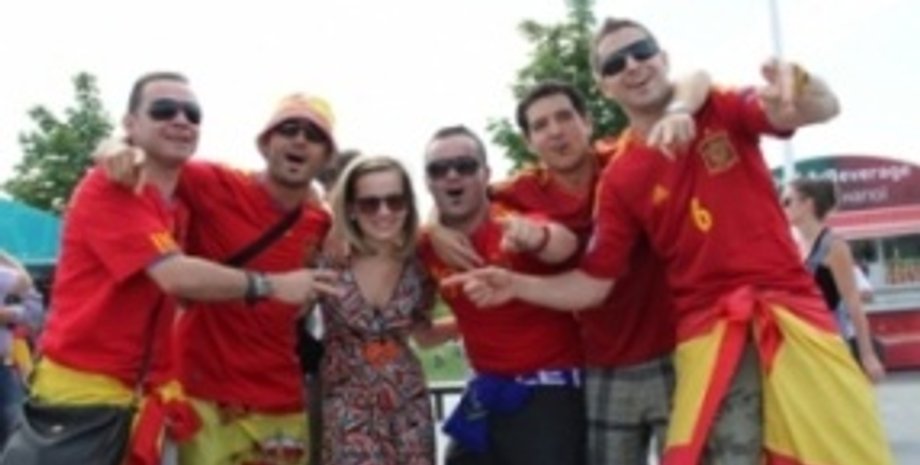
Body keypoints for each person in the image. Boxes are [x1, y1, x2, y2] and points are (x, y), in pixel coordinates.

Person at [445, 17, 894, 465]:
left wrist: (802, 88)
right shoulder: (619, 178)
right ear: (604, 85)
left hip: (790, 316)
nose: (632, 65)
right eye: (616, 63)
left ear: (663, 59)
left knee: (842, 452)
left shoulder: (717, 106)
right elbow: (590, 280)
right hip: (707, 337)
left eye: (641, 52)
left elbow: (819, 107)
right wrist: (510, 280)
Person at [26, 72, 339, 465]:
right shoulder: (125, 184)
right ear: (265, 142)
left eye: (192, 114)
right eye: (163, 110)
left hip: (169, 395)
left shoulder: (319, 222)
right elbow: (173, 274)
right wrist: (115, 148)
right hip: (97, 397)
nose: (180, 119)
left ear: (327, 156)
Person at [430, 77, 708, 465]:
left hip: (673, 347)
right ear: (529, 141)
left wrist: (678, 110)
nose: (555, 131)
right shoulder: (519, 191)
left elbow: (697, 81)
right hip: (601, 363)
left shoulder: (625, 159)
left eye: (564, 117)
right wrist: (433, 226)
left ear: (587, 122)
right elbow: (459, 191)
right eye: (541, 125)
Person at [419, 125, 586, 465]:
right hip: (485, 392)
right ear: (428, 182)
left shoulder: (512, 223)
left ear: (486, 174)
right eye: (438, 169)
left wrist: (538, 238)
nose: (452, 175)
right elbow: (423, 334)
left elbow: (563, 244)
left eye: (465, 166)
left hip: (546, 391)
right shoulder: (425, 245)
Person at [319, 155, 456, 465]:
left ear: (408, 205)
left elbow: (423, 335)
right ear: (351, 208)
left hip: (408, 407)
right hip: (346, 409)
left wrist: (470, 323)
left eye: (395, 201)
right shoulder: (328, 257)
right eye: (370, 204)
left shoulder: (421, 262)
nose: (384, 212)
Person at [783, 177, 886, 381]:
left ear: (807, 204)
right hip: (801, 342)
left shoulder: (834, 246)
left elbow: (853, 303)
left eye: (787, 201)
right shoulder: (793, 246)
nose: (782, 207)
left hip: (830, 340)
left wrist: (867, 355)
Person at [0, 252, 43, 446]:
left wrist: (11, 314)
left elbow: (35, 313)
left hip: (3, 372)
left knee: (15, 437)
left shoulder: (4, 276)